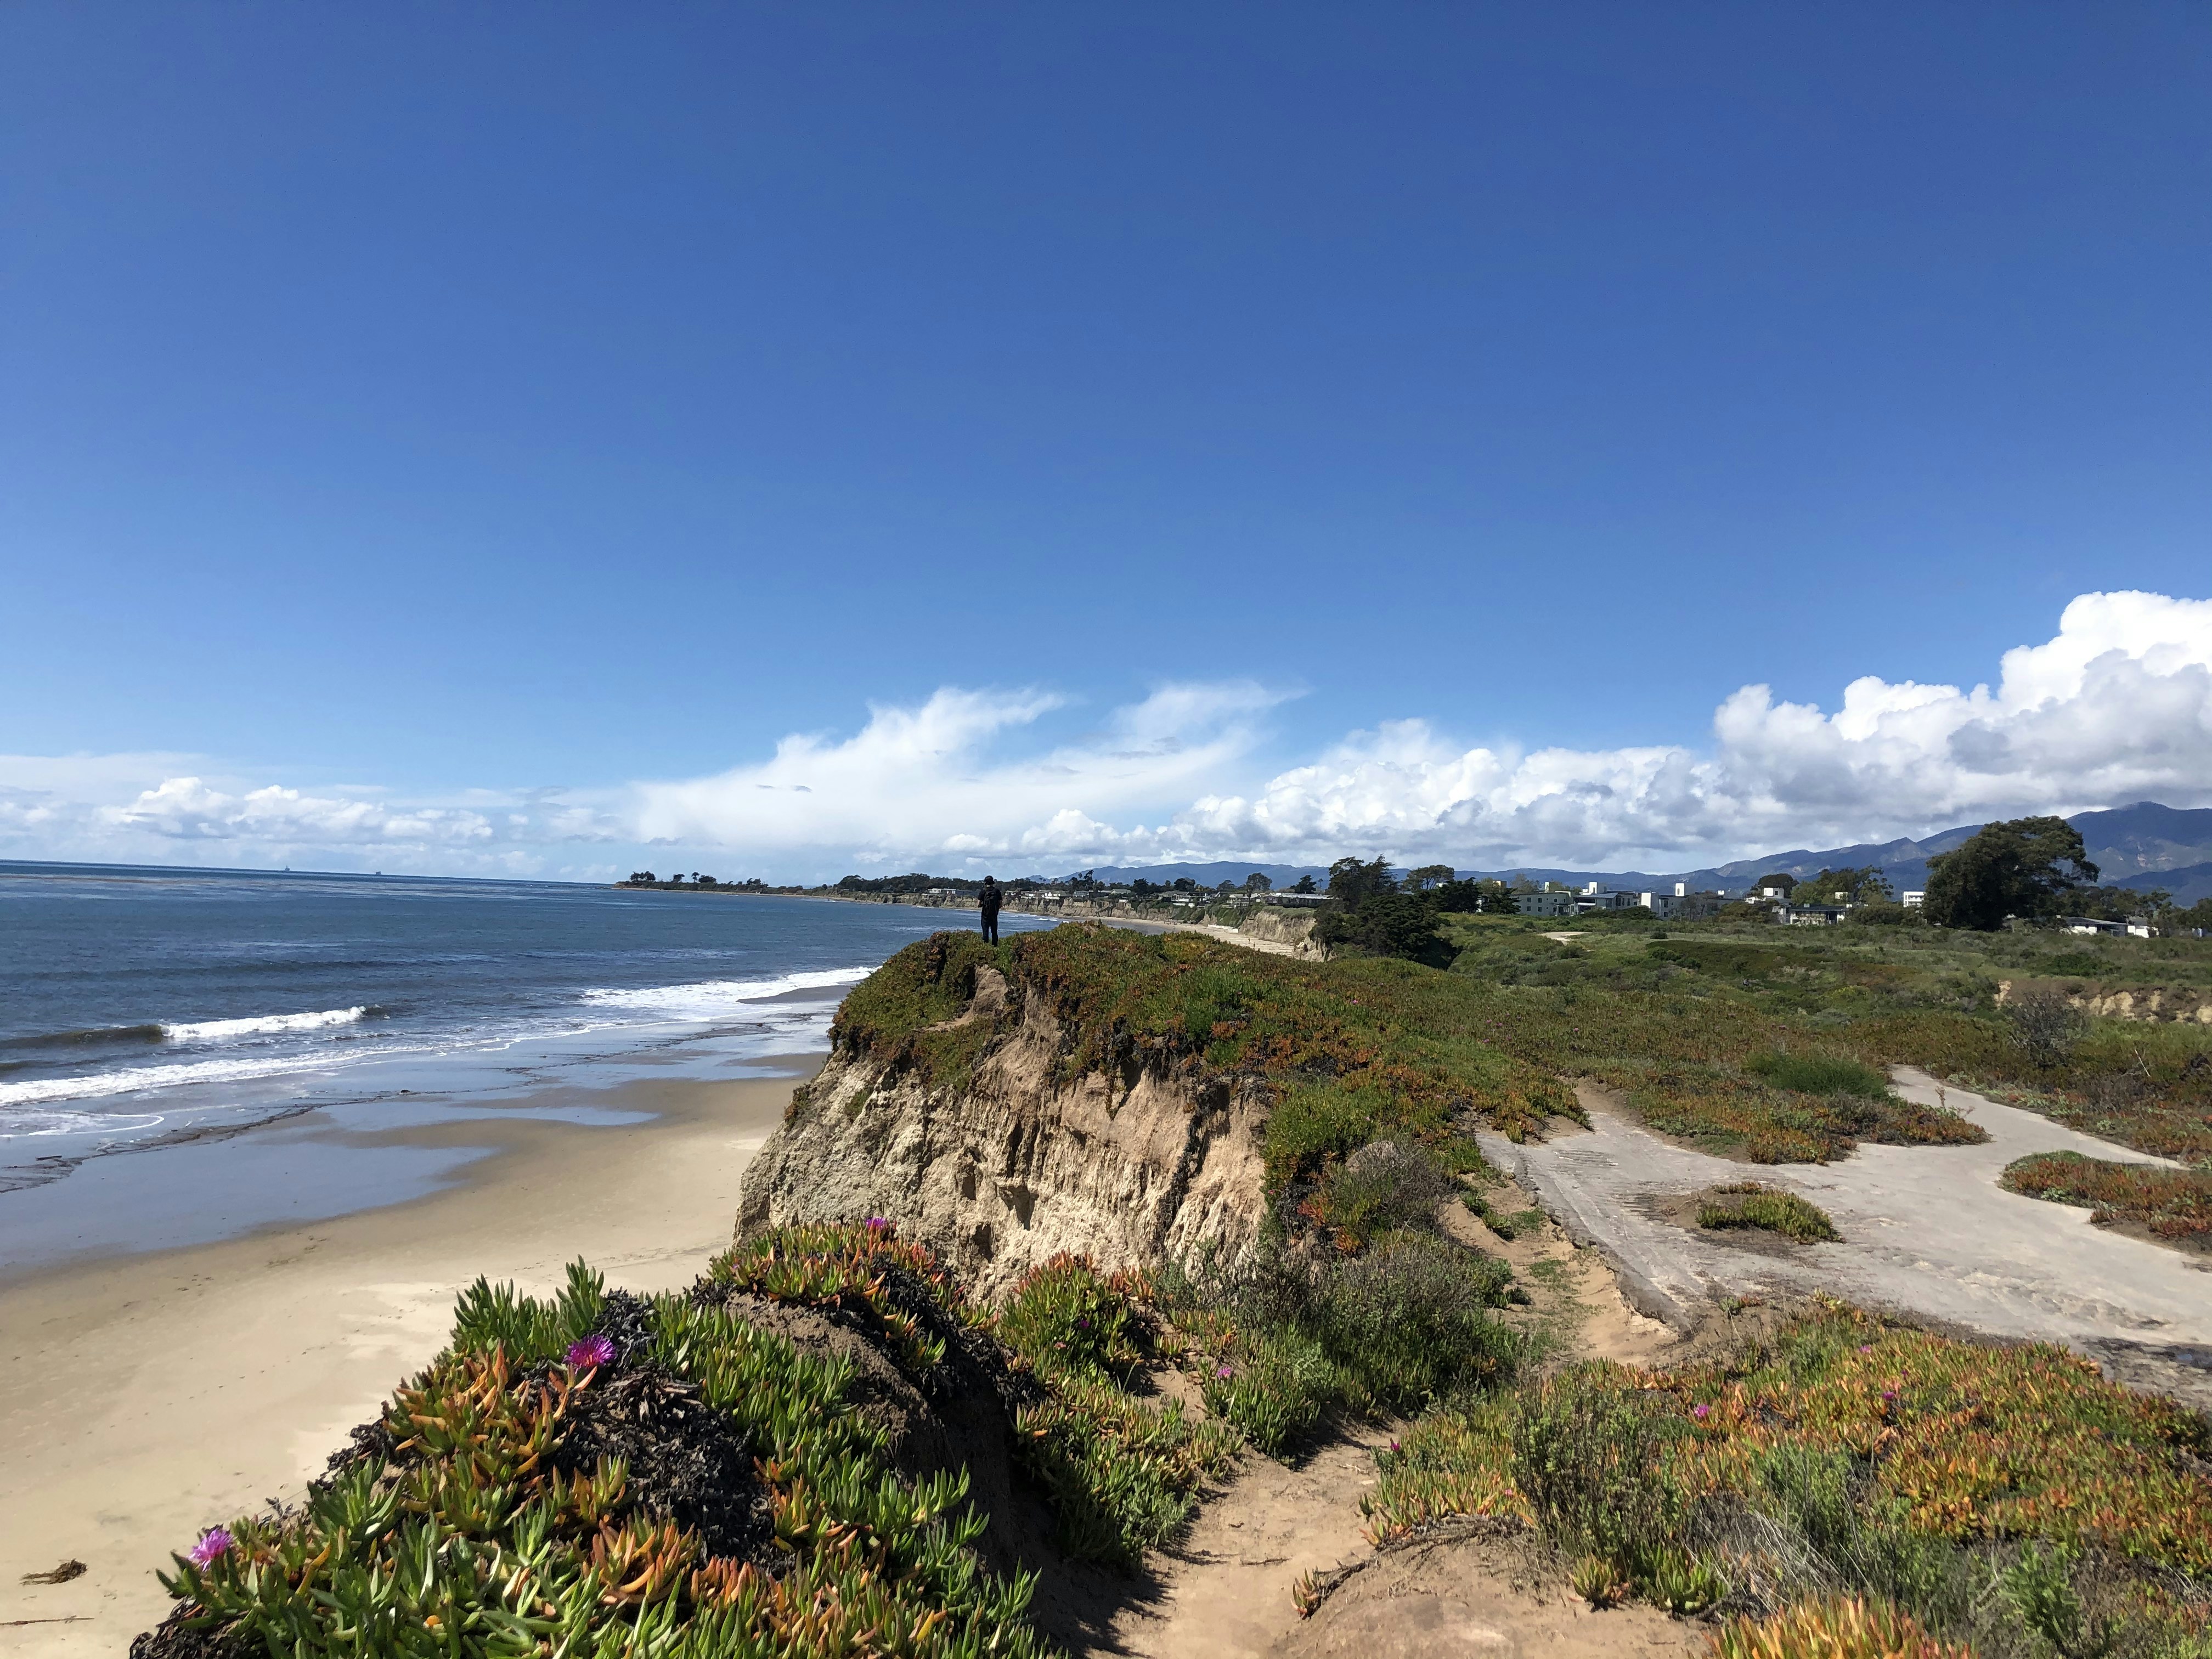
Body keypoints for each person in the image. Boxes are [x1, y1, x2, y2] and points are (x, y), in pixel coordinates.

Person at [978, 875, 1002, 944]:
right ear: (993, 882)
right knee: (994, 932)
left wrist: (984, 905)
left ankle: (986, 947)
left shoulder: (983, 892)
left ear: (986, 883)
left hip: (985, 915)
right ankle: (995, 946)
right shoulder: (997, 891)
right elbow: (1001, 904)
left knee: (985, 932)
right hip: (994, 915)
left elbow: (978, 905)